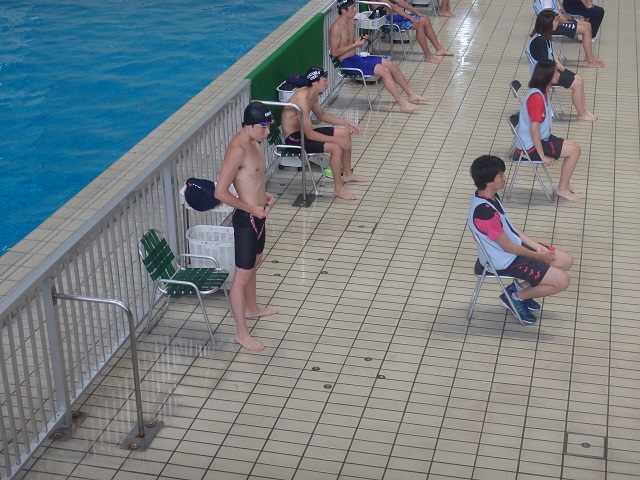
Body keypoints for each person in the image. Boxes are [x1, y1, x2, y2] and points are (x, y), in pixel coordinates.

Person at [468, 154, 573, 324]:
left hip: (513, 248)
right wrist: (539, 256)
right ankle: (517, 297)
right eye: (500, 175)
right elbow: (508, 247)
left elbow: (509, 227)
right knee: (562, 281)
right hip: (505, 260)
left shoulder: (489, 196)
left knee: (566, 260)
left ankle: (516, 289)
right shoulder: (485, 213)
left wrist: (535, 245)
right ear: (488, 181)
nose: (505, 178)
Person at [215, 101, 278, 352]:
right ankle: (241, 333)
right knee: (241, 277)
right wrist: (251, 208)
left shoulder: (255, 141)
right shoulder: (237, 149)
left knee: (254, 263)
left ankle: (251, 308)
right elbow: (221, 192)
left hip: (258, 215)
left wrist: (264, 195)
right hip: (246, 220)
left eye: (269, 125)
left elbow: (252, 179)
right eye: (263, 127)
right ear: (248, 125)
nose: (268, 131)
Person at [281, 66, 367, 200]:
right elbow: (310, 135)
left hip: (302, 133)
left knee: (345, 134)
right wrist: (337, 141)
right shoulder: (303, 100)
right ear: (315, 82)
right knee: (336, 147)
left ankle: (347, 174)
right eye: (324, 80)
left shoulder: (312, 93)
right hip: (294, 139)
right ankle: (338, 189)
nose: (327, 83)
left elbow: (321, 115)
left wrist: (345, 122)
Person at [330, 0, 427, 112]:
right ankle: (402, 103)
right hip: (348, 63)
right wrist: (355, 45)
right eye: (352, 8)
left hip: (356, 58)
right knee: (384, 71)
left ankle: (411, 94)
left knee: (392, 65)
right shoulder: (336, 28)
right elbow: (334, 52)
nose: (355, 10)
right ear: (343, 11)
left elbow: (349, 42)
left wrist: (359, 40)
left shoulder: (349, 22)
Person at [517, 60, 582, 202]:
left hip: (541, 138)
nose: (559, 74)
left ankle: (565, 184)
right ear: (547, 76)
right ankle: (562, 189)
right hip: (531, 147)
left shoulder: (542, 90)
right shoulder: (536, 99)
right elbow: (534, 130)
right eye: (555, 72)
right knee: (574, 152)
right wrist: (542, 156)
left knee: (575, 148)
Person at [526, 10, 599, 121]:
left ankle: (584, 110)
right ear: (548, 24)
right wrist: (548, 82)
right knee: (577, 84)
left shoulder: (544, 36)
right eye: (555, 21)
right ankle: (581, 114)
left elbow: (551, 53)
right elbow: (544, 64)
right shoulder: (539, 42)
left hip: (551, 70)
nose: (558, 23)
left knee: (580, 80)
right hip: (544, 76)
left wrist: (560, 66)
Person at [532, 2, 603, 67]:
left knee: (588, 25)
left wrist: (566, 21)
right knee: (586, 29)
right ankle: (591, 61)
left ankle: (589, 56)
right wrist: (564, 21)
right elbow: (548, 16)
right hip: (551, 26)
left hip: (556, 22)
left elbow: (556, 10)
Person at [384, 0, 454, 63]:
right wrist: (411, 18)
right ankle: (428, 56)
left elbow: (400, 2)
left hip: (391, 17)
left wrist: (417, 13)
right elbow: (394, 7)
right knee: (419, 25)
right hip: (384, 21)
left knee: (425, 20)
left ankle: (439, 49)